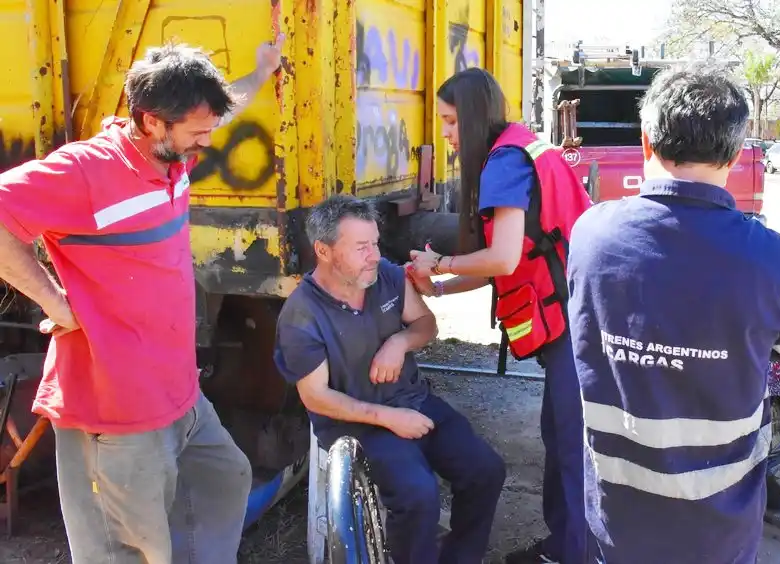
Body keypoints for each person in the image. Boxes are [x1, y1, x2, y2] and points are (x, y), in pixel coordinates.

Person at [0, 38, 283, 562]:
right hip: (116, 408)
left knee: (224, 479)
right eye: (197, 132)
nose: (207, 141)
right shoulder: (86, 170)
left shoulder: (171, 155)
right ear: (152, 122)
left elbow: (223, 109)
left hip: (179, 393)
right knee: (129, 548)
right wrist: (54, 301)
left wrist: (263, 69)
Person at [564, 69, 780, 564]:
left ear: (645, 140)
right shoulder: (772, 257)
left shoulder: (590, 233)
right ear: (736, 153)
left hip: (619, 513)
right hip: (721, 522)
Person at [407, 67, 594, 564]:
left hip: (573, 321)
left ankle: (575, 552)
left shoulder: (504, 163)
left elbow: (503, 259)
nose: (446, 134)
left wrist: (439, 263)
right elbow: (509, 262)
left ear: (471, 117)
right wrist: (441, 286)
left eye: (450, 122)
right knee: (563, 435)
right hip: (579, 308)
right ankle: (565, 545)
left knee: (572, 444)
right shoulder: (524, 146)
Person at [272, 194, 507, 564]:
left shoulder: (384, 275)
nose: (374, 255)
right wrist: (389, 419)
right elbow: (316, 397)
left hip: (411, 400)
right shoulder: (302, 314)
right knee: (418, 496)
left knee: (486, 471)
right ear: (324, 250)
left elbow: (425, 323)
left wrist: (400, 342)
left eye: (376, 243)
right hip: (358, 423)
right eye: (361, 247)